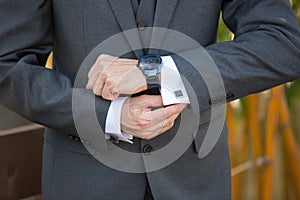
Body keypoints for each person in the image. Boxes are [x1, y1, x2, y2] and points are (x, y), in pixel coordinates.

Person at [0, 0, 299, 199]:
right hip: (84, 182)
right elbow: (7, 65)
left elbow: (281, 43)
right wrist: (107, 113)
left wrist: (158, 73)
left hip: (196, 184)